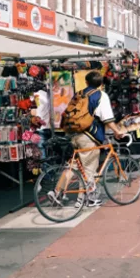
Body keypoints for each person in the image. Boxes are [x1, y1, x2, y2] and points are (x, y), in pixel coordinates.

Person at [56, 71, 125, 208]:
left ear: (86, 82)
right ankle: (88, 199)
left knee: (73, 166)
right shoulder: (100, 95)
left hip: (74, 134)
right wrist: (117, 131)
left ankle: (57, 191)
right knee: (90, 169)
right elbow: (107, 118)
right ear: (101, 84)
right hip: (89, 136)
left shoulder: (80, 94)